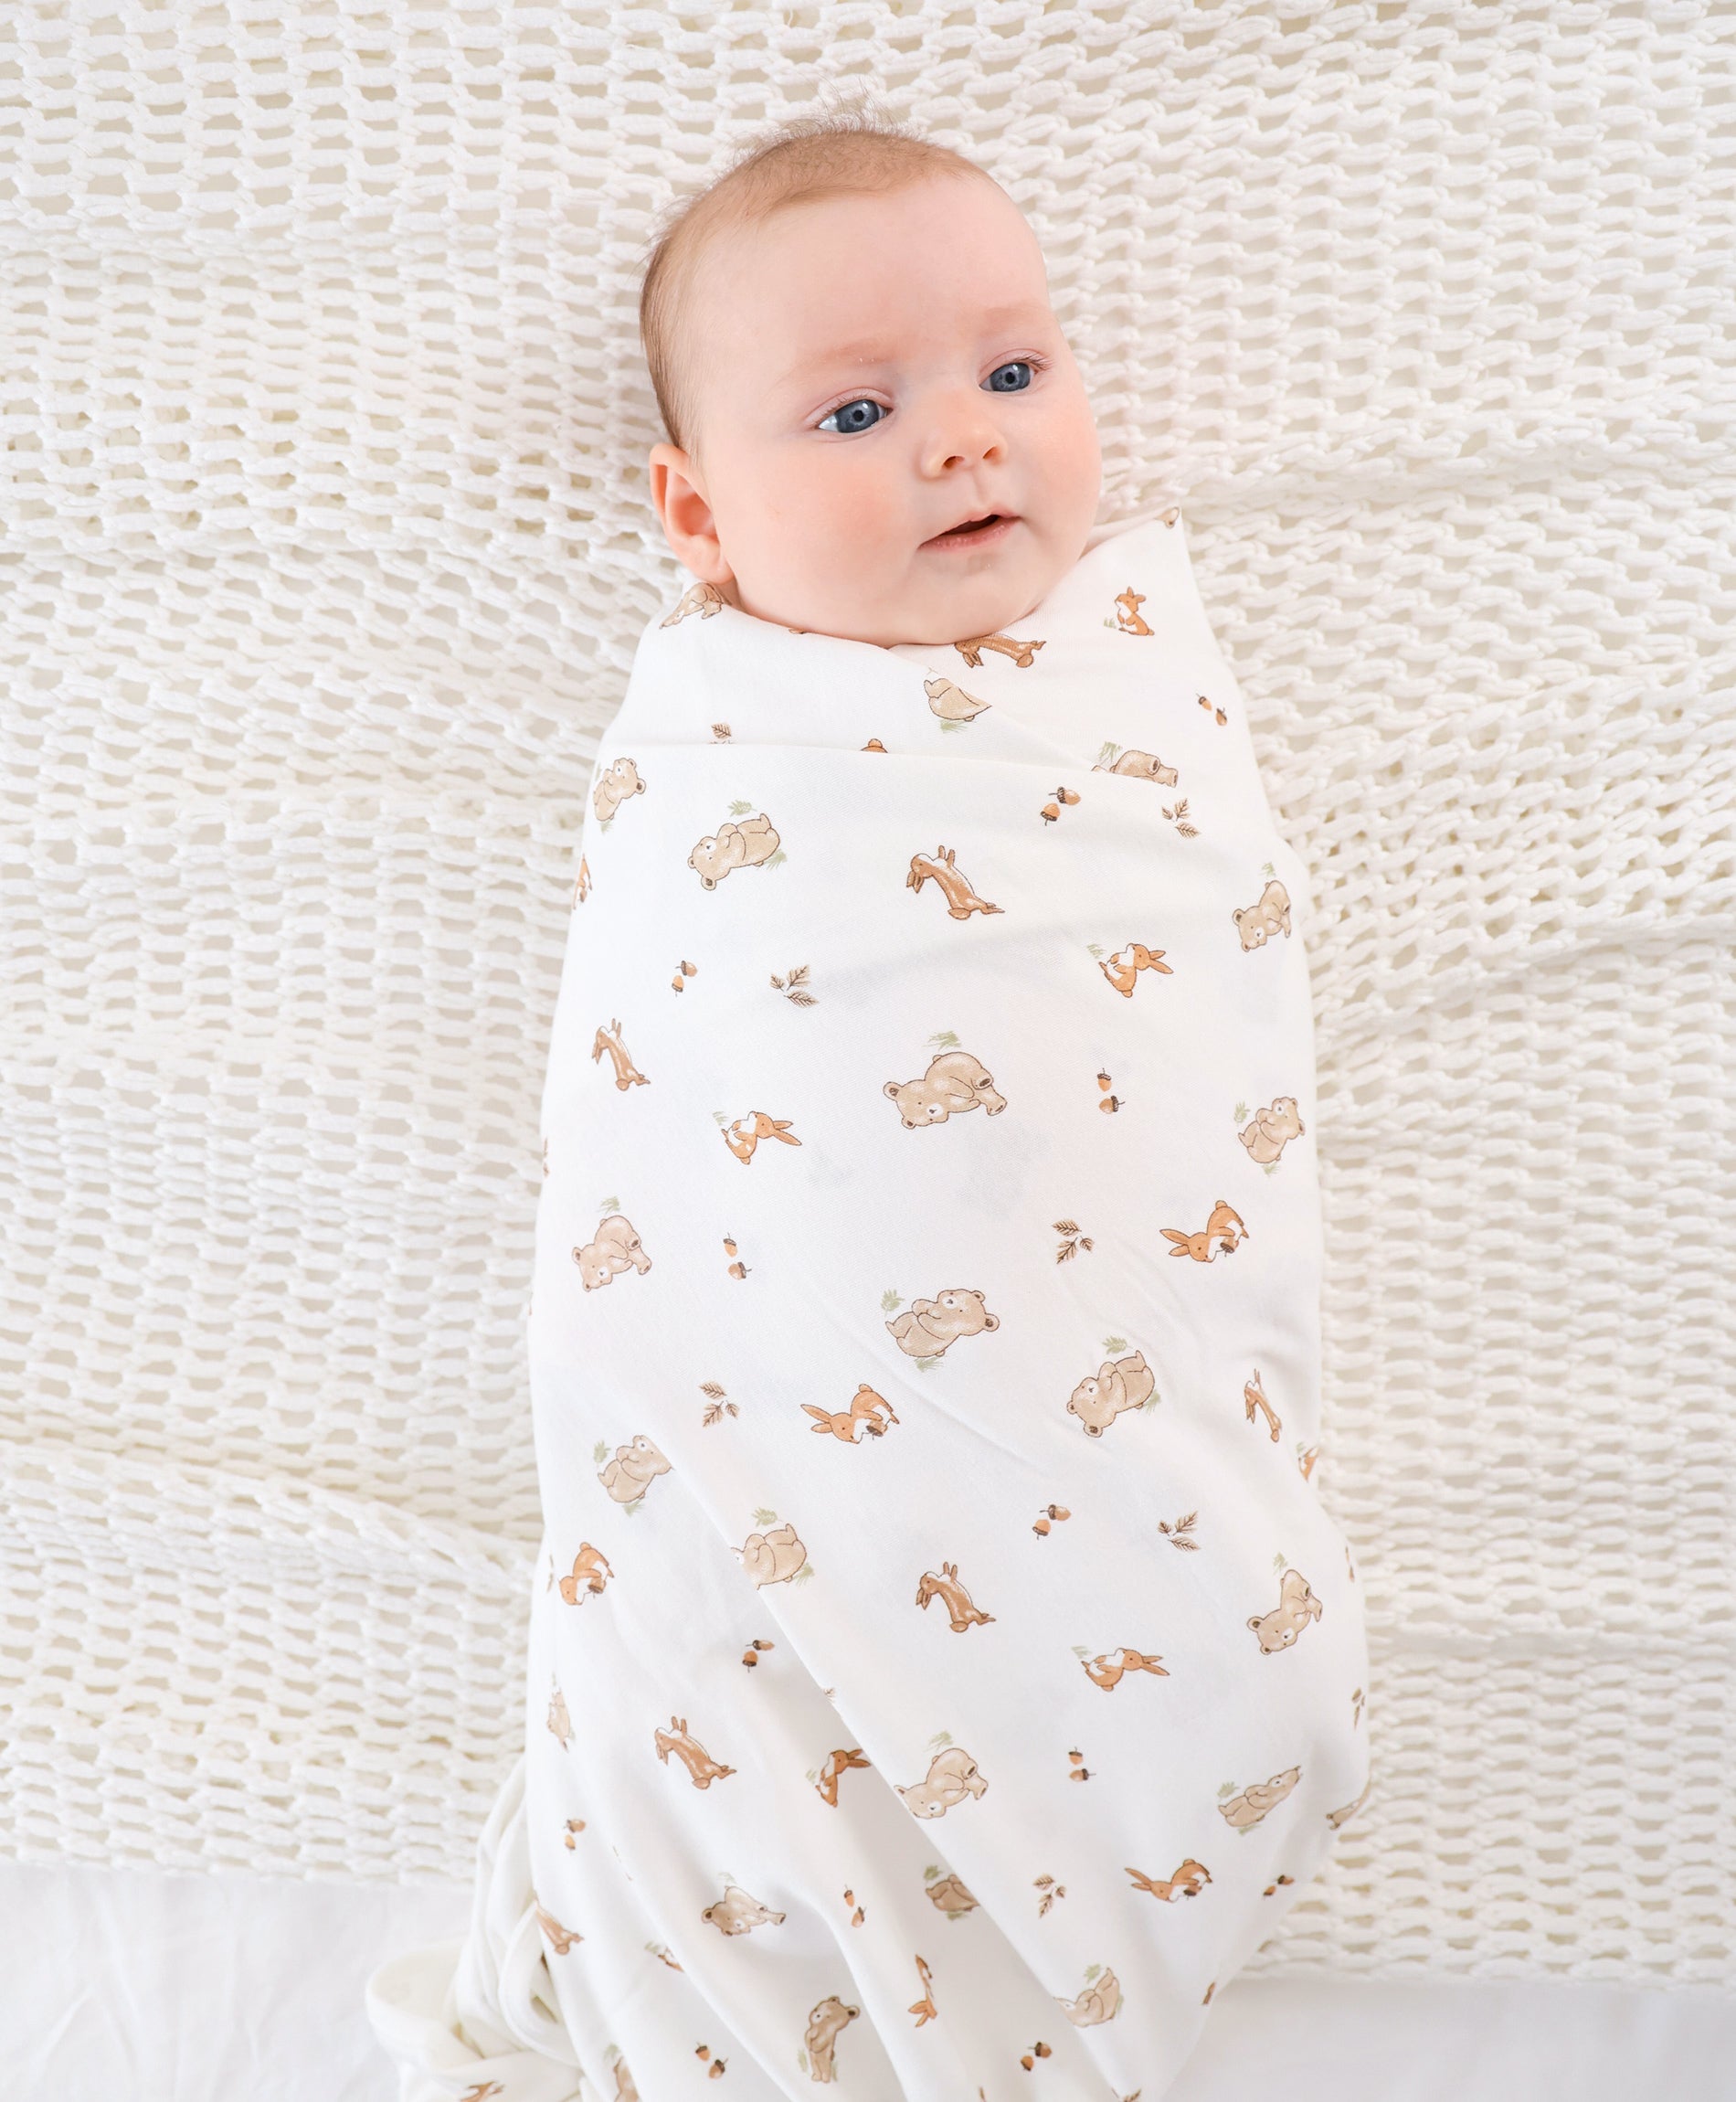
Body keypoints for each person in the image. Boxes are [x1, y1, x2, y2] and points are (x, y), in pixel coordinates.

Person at [368, 112, 1370, 2102]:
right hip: (783, 1437)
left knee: (1224, 1680)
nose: (962, 439)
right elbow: (662, 1098)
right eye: (854, 411)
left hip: (1109, 1419)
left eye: (1012, 372)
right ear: (697, 513)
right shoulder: (722, 743)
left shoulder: (1132, 684)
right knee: (722, 1711)